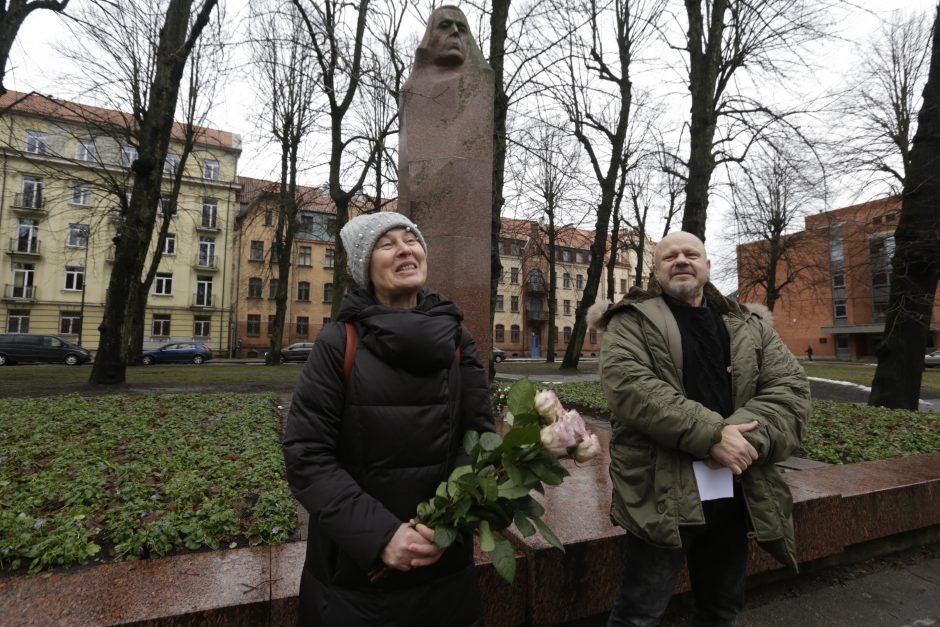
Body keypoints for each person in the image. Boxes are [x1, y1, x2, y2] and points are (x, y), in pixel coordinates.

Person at [282, 211, 493, 627]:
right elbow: (307, 456)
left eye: (411, 239)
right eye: (386, 244)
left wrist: (448, 522)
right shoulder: (338, 342)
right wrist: (382, 536)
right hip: (356, 582)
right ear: (366, 268)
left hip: (444, 570)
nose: (404, 249)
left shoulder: (456, 339)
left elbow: (480, 440)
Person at [590, 231, 811, 626]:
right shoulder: (631, 322)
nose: (681, 260)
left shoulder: (748, 324)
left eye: (691, 254)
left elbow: (791, 390)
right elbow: (631, 387)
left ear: (707, 266)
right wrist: (713, 436)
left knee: (721, 610)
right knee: (640, 613)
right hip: (661, 491)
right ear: (656, 272)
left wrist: (741, 441)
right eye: (669, 257)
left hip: (736, 488)